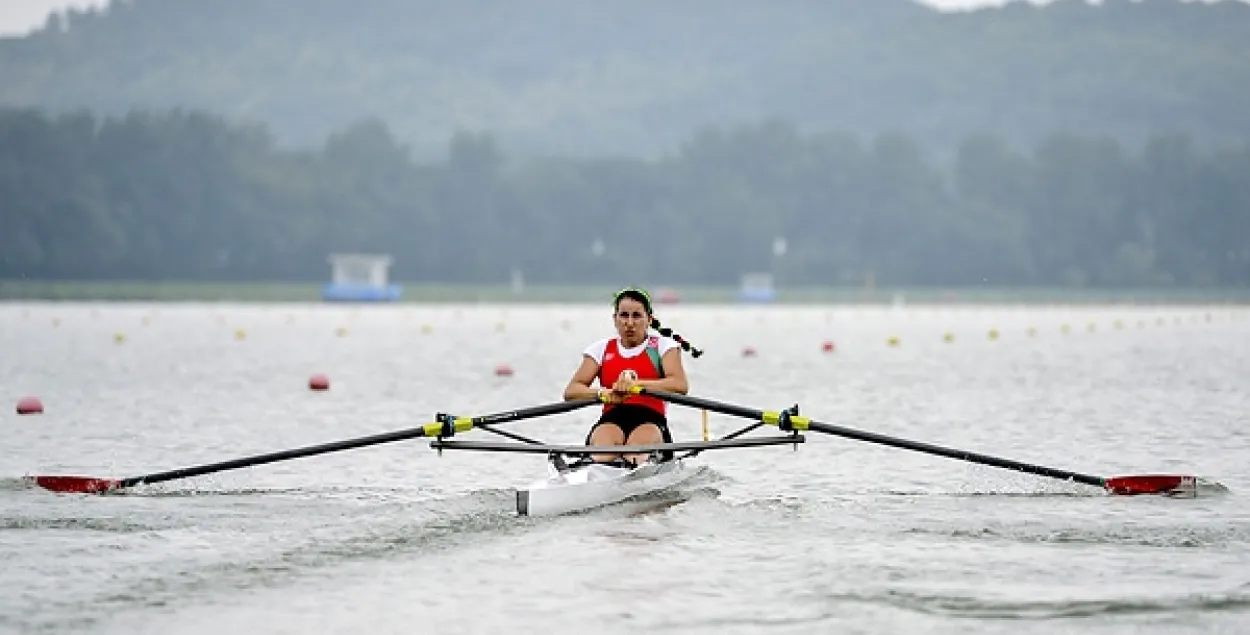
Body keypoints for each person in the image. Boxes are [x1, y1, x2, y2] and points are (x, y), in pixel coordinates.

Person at [563, 287, 703, 465]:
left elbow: (679, 385)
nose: (630, 323)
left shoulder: (663, 347)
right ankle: (593, 469)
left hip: (651, 419)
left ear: (649, 320)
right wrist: (602, 393)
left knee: (634, 453)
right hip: (612, 418)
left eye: (637, 316)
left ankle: (635, 465)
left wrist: (635, 385)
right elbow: (572, 391)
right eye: (624, 315)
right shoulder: (600, 349)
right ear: (615, 319)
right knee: (602, 453)